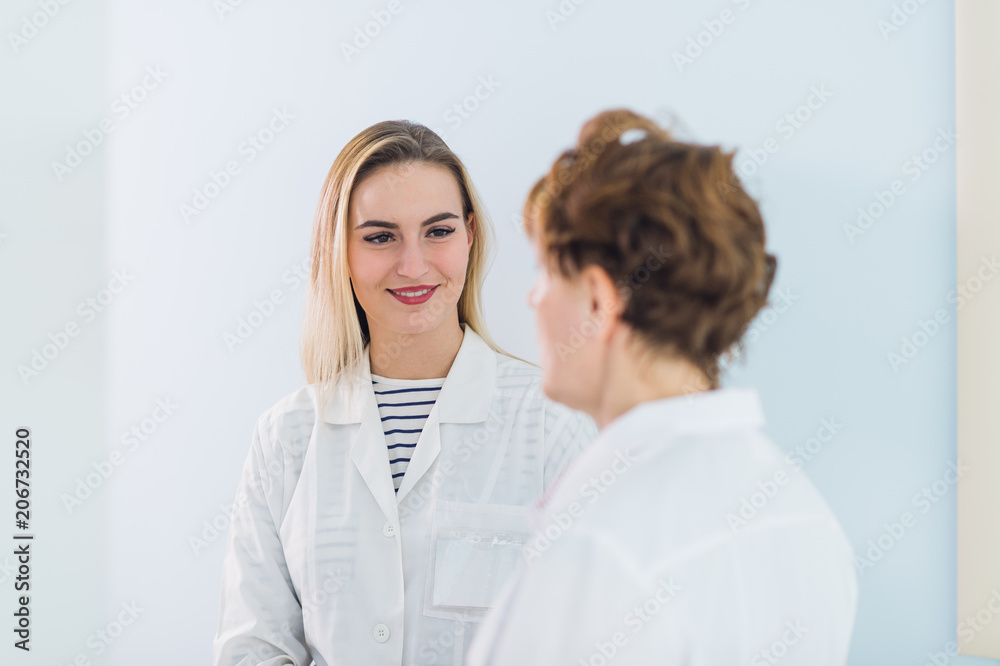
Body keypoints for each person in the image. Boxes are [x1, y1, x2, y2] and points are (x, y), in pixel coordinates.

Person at [466, 109, 858, 665]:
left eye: (545, 272)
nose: (533, 299)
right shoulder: (806, 516)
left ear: (600, 302)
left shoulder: (597, 551)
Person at [212, 120, 596, 665]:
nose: (413, 266)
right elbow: (252, 647)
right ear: (339, 251)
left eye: (438, 232)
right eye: (380, 237)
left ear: (469, 236)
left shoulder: (552, 422)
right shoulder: (287, 437)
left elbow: (596, 638)